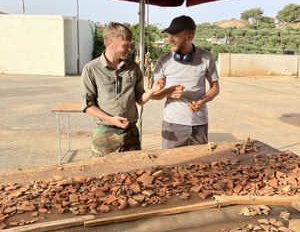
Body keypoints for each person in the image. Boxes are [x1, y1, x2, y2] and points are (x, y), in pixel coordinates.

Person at [80, 22, 165, 157]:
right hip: (105, 133)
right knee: (104, 174)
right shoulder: (91, 69)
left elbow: (139, 99)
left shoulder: (133, 68)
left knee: (133, 172)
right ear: (110, 44)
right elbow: (88, 106)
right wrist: (110, 119)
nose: (129, 49)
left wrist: (152, 91)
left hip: (131, 132)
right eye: (126, 45)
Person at [152, 15, 220, 149]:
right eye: (169, 34)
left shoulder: (206, 57)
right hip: (173, 124)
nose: (169, 39)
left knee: (199, 165)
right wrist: (168, 92)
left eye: (175, 35)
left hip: (199, 123)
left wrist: (203, 101)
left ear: (190, 37)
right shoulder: (163, 60)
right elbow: (153, 94)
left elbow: (215, 88)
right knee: (170, 166)